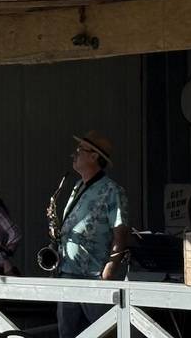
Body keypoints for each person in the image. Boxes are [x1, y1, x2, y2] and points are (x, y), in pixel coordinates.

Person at [55, 131, 129, 338]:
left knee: (102, 333)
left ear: (94, 156)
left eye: (79, 151)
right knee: (67, 333)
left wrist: (108, 272)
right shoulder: (78, 186)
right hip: (68, 274)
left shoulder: (112, 190)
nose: (74, 155)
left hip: (94, 275)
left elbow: (121, 233)